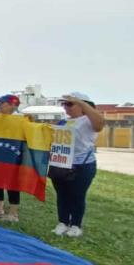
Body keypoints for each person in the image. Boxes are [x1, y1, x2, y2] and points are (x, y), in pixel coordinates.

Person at [51, 92, 103, 238]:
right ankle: (62, 222)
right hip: (62, 164)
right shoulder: (64, 122)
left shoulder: (88, 120)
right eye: (64, 104)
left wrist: (83, 104)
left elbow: (99, 124)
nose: (66, 107)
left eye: (70, 104)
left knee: (77, 195)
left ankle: (76, 225)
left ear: (82, 105)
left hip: (83, 165)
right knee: (62, 195)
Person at [0, 94, 23, 222]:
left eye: (2, 103)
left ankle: (13, 213)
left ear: (12, 105)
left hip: (13, 157)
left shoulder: (21, 119)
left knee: (12, 184)